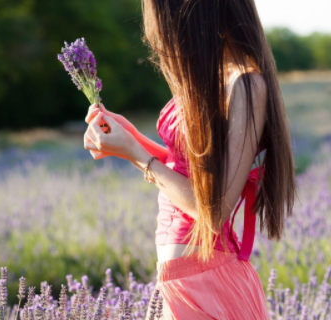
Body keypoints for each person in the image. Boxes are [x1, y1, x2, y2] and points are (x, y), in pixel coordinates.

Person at [83, 0, 297, 319]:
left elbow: (214, 211)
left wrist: (137, 155)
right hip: (179, 282)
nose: (159, 33)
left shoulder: (246, 82)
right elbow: (186, 167)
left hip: (207, 286)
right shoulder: (210, 75)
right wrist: (129, 139)